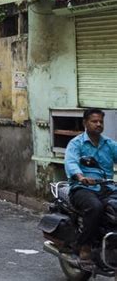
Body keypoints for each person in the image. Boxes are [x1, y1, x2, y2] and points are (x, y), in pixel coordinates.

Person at [65, 108, 117, 262]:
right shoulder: (76, 143)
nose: (98, 124)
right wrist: (81, 177)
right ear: (85, 123)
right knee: (95, 207)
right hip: (82, 189)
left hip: (107, 187)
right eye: (94, 121)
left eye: (101, 121)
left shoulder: (109, 144)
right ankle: (85, 246)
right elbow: (71, 162)